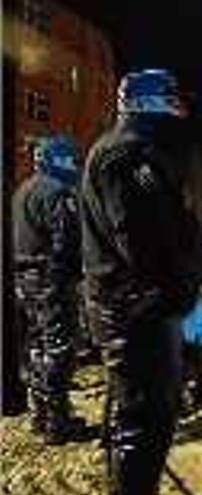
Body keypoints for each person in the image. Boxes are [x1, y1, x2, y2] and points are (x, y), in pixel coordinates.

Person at [80, 68, 202, 494]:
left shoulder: (137, 150)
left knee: (136, 418)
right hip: (136, 312)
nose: (180, 108)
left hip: (139, 308)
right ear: (148, 101)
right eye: (171, 98)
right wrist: (179, 289)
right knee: (144, 427)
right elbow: (145, 245)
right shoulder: (128, 155)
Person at [12, 133, 90, 444]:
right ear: (57, 160)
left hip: (23, 281)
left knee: (34, 348)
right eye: (71, 160)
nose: (74, 166)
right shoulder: (59, 193)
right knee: (59, 349)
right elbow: (67, 243)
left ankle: (39, 416)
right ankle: (58, 423)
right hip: (51, 282)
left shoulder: (21, 191)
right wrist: (73, 276)